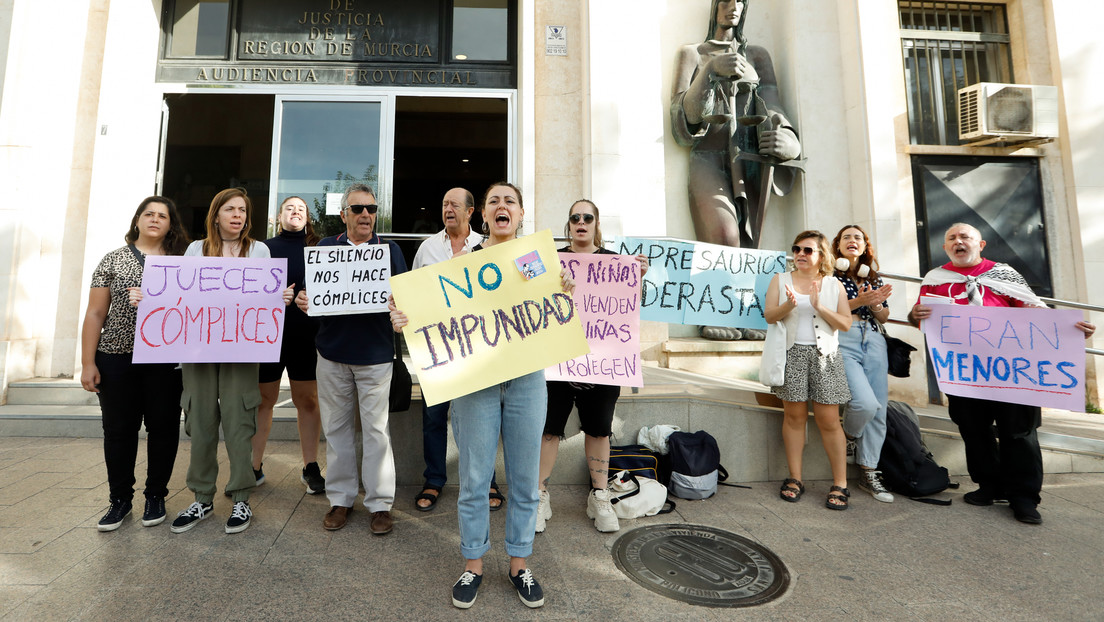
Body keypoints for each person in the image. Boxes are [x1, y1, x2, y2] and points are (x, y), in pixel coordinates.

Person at [390, 182, 575, 610]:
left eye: (510, 201)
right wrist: (404, 317)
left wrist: (563, 287)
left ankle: (519, 564)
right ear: (485, 215)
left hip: (527, 380)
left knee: (525, 480)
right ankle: (473, 564)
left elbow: (551, 309)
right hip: (475, 384)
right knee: (474, 480)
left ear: (521, 214)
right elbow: (429, 314)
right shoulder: (462, 264)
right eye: (494, 201)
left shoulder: (533, 260)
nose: (502, 206)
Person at [907, 223, 1096, 524]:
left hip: (1013, 369)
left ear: (980, 244)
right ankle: (989, 486)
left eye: (965, 237)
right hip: (967, 371)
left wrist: (1068, 329)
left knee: (1018, 432)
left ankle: (1023, 498)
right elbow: (923, 317)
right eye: (952, 238)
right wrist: (914, 315)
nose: (958, 241)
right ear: (945, 248)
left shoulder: (1003, 274)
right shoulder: (935, 279)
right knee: (974, 430)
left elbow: (1035, 310)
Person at [672, 0, 800, 342]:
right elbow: (683, 117)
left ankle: (747, 312)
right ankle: (711, 312)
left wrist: (788, 139)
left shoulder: (757, 55)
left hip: (748, 158)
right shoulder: (693, 53)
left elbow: (773, 105)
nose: (734, 7)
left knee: (748, 242)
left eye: (740, 2)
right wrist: (710, 71)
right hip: (708, 157)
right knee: (724, 234)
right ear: (715, 6)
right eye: (727, 0)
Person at [166, 187, 286, 535]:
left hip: (241, 351)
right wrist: (149, 296)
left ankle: (241, 498)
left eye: (243, 211)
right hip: (199, 352)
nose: (237, 215)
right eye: (230, 209)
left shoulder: (259, 250)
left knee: (239, 424)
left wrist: (279, 297)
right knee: (201, 421)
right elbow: (179, 295)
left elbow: (264, 298)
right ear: (216, 215)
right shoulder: (195, 250)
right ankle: (202, 498)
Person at [294, 183, 407, 535]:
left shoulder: (390, 251)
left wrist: (401, 310)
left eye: (371, 209)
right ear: (344, 215)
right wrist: (303, 300)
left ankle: (380, 504)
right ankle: (340, 499)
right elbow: (308, 293)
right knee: (337, 430)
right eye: (357, 209)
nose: (365, 215)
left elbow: (407, 298)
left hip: (376, 357)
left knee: (376, 432)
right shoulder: (325, 249)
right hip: (332, 355)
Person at [536, 199, 648, 534]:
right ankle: (539, 495)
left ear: (596, 223)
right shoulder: (552, 261)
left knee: (599, 428)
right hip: (557, 360)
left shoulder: (615, 263)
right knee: (549, 428)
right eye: (575, 217)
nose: (581, 222)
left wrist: (638, 277)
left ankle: (599, 495)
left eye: (587, 217)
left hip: (602, 361)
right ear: (569, 225)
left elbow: (629, 309)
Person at [80, 196, 190, 531]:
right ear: (138, 220)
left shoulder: (184, 262)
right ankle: (119, 500)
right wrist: (87, 363)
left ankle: (155, 496)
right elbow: (95, 313)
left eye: (162, 215)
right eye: (149, 214)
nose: (155, 219)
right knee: (118, 430)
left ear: (171, 224)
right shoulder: (112, 259)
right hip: (116, 357)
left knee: (164, 428)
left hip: (165, 361)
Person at [410, 187, 503, 513]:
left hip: (475, 349)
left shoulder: (485, 246)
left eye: (454, 205)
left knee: (480, 419)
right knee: (433, 417)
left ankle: (487, 480)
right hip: (436, 349)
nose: (448, 209)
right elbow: (414, 293)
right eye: (444, 204)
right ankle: (434, 479)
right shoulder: (427, 248)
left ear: (471, 211)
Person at [764, 231, 853, 510]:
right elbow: (769, 316)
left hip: (825, 356)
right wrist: (788, 305)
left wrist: (818, 307)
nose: (800, 254)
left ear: (822, 255)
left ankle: (840, 484)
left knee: (829, 420)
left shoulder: (834, 285)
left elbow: (845, 324)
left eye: (808, 250)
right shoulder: (780, 280)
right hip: (791, 354)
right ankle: (795, 478)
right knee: (794, 417)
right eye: (796, 249)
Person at [254, 196, 325, 495]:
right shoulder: (262, 249)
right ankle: (253, 467)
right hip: (269, 336)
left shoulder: (320, 248)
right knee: (263, 400)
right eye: (289, 208)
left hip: (306, 336)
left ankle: (311, 466)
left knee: (307, 401)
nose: (295, 212)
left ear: (308, 217)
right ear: (278, 216)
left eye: (301, 209)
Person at [832, 225, 895, 503]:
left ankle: (869, 471)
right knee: (864, 403)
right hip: (844, 336)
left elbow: (884, 316)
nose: (852, 240)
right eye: (846, 237)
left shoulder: (872, 276)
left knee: (879, 407)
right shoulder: (829, 274)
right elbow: (828, 309)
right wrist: (861, 300)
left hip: (874, 338)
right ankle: (849, 436)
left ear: (864, 245)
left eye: (857, 237)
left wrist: (876, 305)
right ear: (838, 245)